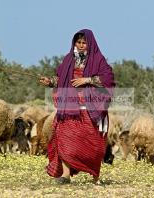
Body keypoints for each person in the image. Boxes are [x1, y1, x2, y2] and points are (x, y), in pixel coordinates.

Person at [39, 29, 115, 184]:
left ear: (90, 43)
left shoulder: (98, 60)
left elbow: (108, 79)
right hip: (69, 107)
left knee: (92, 144)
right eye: (78, 42)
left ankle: (95, 176)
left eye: (84, 42)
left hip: (88, 107)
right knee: (65, 139)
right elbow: (60, 79)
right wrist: (50, 81)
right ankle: (65, 175)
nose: (81, 45)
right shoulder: (68, 59)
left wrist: (87, 80)